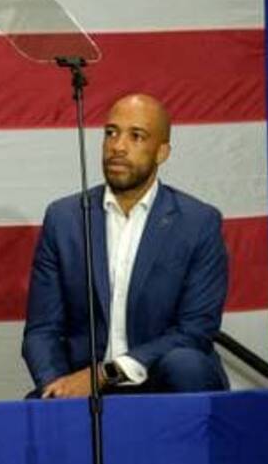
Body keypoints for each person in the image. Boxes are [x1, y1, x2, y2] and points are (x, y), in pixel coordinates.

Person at [22, 93, 229, 398]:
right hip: (84, 385)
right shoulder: (64, 219)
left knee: (187, 364)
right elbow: (42, 331)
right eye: (111, 133)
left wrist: (107, 374)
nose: (118, 146)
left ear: (162, 152)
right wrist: (58, 387)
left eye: (136, 136)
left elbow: (195, 331)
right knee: (39, 405)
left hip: (162, 378)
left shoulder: (198, 223)